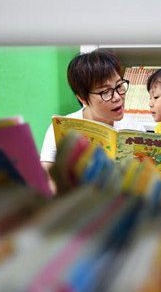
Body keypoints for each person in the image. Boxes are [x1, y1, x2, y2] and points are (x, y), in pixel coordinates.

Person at [39, 50, 145, 190]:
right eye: (105, 92)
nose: (117, 97)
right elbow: (47, 179)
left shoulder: (136, 129)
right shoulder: (61, 128)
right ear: (82, 98)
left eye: (119, 86)